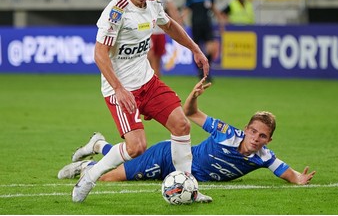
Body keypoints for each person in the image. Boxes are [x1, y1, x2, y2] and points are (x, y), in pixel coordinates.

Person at [71, 0, 211, 203]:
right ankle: (90, 176)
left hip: (148, 82)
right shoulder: (116, 12)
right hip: (121, 89)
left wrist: (195, 49)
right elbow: (99, 54)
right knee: (136, 147)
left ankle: (188, 187)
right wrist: (118, 88)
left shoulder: (153, 3)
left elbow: (169, 26)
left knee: (182, 125)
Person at [62, 78, 316, 187]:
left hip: (181, 177)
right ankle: (90, 167)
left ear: (268, 140)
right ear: (247, 129)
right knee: (109, 179)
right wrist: (193, 97)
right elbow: (192, 114)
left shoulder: (264, 157)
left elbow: (286, 172)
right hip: (169, 156)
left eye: (262, 136)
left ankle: (98, 144)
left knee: (128, 158)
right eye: (253, 131)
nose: (255, 138)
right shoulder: (227, 133)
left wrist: (298, 179)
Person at [182, 0, 225, 82]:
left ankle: (206, 71)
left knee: (211, 48)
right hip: (195, 26)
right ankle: (200, 72)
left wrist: (221, 22)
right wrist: (180, 22)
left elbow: (215, 9)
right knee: (196, 49)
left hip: (207, 25)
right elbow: (186, 11)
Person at [148, 0, 183, 78]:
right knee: (150, 57)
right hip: (146, 30)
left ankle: (156, 84)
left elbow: (171, 6)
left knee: (157, 60)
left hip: (160, 29)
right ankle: (149, 84)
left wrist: (177, 22)